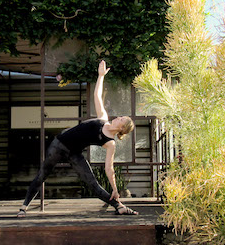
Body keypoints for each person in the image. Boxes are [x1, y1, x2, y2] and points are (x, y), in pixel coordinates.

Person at [17, 60, 138, 217]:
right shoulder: (103, 118)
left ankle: (119, 206)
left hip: (74, 153)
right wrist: (101, 76)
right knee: (42, 175)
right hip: (59, 145)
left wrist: (115, 188)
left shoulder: (110, 143)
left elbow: (109, 169)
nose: (118, 117)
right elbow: (97, 96)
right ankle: (23, 208)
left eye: (122, 119)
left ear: (122, 128)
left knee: (92, 183)